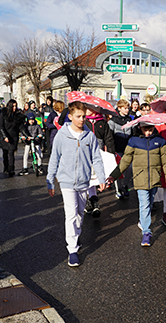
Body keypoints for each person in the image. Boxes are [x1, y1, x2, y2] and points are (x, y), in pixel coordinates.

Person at [46, 101, 106, 267]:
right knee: (71, 214)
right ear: (70, 117)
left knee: (80, 214)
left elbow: (97, 158)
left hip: (84, 181)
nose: (82, 119)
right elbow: (54, 158)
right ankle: (72, 249)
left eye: (84, 116)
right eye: (78, 116)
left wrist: (101, 178)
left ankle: (76, 235)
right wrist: (50, 180)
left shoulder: (90, 136)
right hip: (66, 180)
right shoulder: (62, 135)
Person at [106, 121, 166, 246]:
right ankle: (147, 232)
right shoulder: (134, 141)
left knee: (150, 202)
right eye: (145, 130)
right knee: (144, 205)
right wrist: (113, 176)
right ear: (140, 128)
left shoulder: (160, 141)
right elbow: (125, 161)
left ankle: (142, 222)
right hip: (140, 178)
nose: (148, 133)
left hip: (155, 178)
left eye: (150, 129)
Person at [83, 107, 115, 218]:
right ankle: (91, 200)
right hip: (85, 152)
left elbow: (108, 138)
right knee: (88, 176)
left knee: (96, 176)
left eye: (89, 108)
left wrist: (111, 153)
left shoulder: (102, 122)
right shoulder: (83, 121)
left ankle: (94, 200)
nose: (86, 110)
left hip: (99, 152)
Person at [108, 99, 134, 199]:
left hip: (128, 149)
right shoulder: (113, 120)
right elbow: (109, 136)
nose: (127, 110)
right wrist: (111, 149)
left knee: (130, 169)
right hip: (117, 149)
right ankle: (118, 189)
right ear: (119, 108)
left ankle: (125, 185)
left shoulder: (130, 120)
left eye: (128, 108)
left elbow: (132, 134)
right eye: (125, 108)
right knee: (119, 170)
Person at [0, 99, 25, 177]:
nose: (14, 107)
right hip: (5, 136)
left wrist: (25, 135)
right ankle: (6, 167)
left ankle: (11, 169)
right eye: (13, 106)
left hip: (13, 137)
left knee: (11, 153)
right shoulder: (4, 114)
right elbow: (0, 126)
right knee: (5, 153)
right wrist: (4, 136)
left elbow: (21, 127)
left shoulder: (17, 115)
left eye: (15, 106)